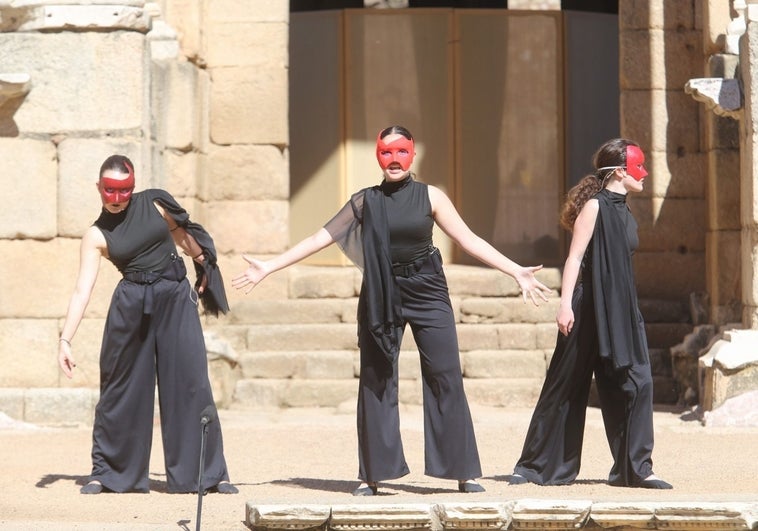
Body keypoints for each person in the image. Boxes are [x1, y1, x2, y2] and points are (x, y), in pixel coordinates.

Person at [232, 125, 552, 496]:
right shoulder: (365, 201)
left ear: (412, 154)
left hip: (428, 288)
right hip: (382, 292)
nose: (394, 159)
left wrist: (515, 270)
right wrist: (269, 266)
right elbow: (319, 238)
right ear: (378, 156)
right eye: (386, 152)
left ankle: (462, 471)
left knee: (444, 373)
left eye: (401, 152)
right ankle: (373, 475)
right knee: (377, 376)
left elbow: (468, 238)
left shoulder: (431, 196)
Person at [58, 154, 238, 495]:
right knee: (121, 389)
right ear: (99, 187)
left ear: (133, 186)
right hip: (131, 305)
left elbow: (183, 236)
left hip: (174, 297)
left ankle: (207, 475)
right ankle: (109, 474)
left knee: (191, 382)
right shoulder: (96, 235)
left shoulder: (155, 202)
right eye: (109, 190)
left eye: (123, 190)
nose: (115, 198)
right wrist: (65, 339)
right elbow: (83, 288)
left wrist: (204, 266)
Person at [508, 138, 672, 489]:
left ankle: (636, 469)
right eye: (638, 166)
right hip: (588, 307)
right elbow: (575, 257)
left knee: (637, 382)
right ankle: (534, 466)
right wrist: (565, 303)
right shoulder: (595, 207)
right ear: (618, 172)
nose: (644, 172)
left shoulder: (626, 210)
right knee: (565, 383)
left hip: (622, 308)